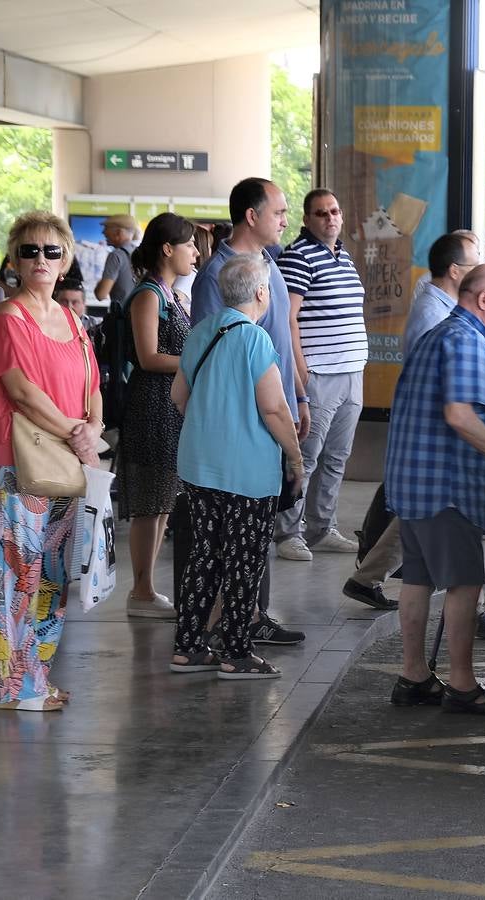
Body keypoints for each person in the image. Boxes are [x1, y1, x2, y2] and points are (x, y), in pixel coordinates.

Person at [385, 264, 485, 715]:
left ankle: (413, 676)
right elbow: (460, 415)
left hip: (414, 484)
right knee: (465, 582)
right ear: (484, 300)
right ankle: (461, 684)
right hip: (448, 487)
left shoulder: (437, 336)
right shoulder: (465, 341)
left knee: (416, 579)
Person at [0, 211, 103, 710]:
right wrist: (78, 433)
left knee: (52, 574)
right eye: (29, 250)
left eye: (51, 251)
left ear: (65, 260)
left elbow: (92, 386)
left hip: (66, 459)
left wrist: (90, 428)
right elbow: (21, 392)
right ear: (13, 259)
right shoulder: (8, 318)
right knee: (15, 573)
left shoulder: (73, 319)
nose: (40, 259)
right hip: (20, 458)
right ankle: (9, 686)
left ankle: (37, 677)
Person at [170, 253, 304, 679]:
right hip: (247, 471)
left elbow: (178, 395)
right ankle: (236, 652)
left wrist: (210, 423)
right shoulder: (255, 338)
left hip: (198, 465)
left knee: (203, 555)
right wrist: (296, 457)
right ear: (262, 292)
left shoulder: (201, 331)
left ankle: (188, 648)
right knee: (243, 560)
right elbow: (274, 410)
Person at [191, 177, 306, 646]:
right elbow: (205, 357)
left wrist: (297, 397)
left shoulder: (270, 266)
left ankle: (251, 615)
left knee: (258, 527)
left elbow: (279, 339)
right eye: (279, 212)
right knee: (227, 537)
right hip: (240, 423)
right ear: (252, 216)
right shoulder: (216, 276)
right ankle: (223, 626)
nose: (285, 220)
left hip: (272, 409)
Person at [273, 189, 369, 562]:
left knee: (336, 457)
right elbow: (287, 319)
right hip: (319, 374)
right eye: (321, 213)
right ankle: (288, 534)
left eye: (334, 211)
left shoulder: (343, 256)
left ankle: (321, 528)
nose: (330, 218)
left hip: (350, 372)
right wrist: (301, 373)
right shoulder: (298, 257)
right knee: (305, 458)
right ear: (307, 219)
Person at [115, 213, 197, 618]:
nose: (195, 252)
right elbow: (148, 357)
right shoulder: (149, 295)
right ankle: (141, 591)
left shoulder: (170, 294)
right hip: (151, 407)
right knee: (149, 502)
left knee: (163, 499)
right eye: (189, 244)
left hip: (169, 407)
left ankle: (146, 588)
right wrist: (195, 361)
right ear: (168, 248)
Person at [402, 233, 481, 359]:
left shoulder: (443, 307)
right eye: (474, 267)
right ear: (454, 271)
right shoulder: (433, 317)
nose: (478, 273)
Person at [95, 213, 138, 305]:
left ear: (118, 232)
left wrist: (100, 283)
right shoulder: (141, 253)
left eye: (106, 228)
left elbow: (101, 295)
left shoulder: (116, 256)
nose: (103, 232)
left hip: (122, 316)